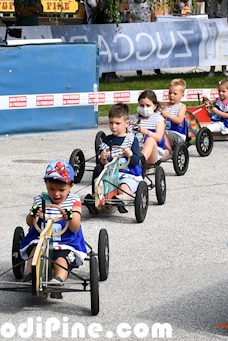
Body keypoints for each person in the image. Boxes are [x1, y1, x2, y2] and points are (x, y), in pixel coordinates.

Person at [19, 160, 87, 298]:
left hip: (65, 241)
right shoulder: (40, 200)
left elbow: (75, 227)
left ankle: (57, 281)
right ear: (46, 185)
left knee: (61, 259)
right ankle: (31, 276)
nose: (56, 194)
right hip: (41, 239)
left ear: (70, 186)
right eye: (52, 189)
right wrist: (34, 214)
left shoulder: (73, 201)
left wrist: (70, 216)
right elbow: (29, 222)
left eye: (61, 190)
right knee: (34, 253)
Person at [96, 103, 143, 213]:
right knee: (100, 185)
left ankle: (122, 200)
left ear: (126, 123)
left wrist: (130, 155)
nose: (113, 126)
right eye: (111, 123)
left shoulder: (131, 139)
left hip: (128, 174)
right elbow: (102, 163)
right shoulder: (107, 141)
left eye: (117, 123)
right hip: (110, 174)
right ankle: (96, 202)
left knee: (125, 186)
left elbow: (136, 161)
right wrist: (103, 157)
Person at [128, 0, 162, 76]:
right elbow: (128, 17)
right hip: (137, 30)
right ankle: (139, 71)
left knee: (153, 49)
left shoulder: (149, 3)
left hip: (148, 30)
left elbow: (153, 15)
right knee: (138, 51)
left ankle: (157, 70)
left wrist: (152, 26)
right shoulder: (132, 5)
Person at [132, 89, 167, 165]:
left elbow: (158, 137)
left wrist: (147, 132)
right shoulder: (135, 118)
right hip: (136, 148)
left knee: (150, 140)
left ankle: (140, 161)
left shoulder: (158, 119)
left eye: (148, 105)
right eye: (142, 105)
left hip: (153, 152)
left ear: (155, 106)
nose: (144, 108)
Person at [207, 0, 228, 77]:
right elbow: (210, 14)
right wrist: (221, 15)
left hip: (225, 29)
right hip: (213, 28)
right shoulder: (211, 2)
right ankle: (212, 70)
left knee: (224, 49)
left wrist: (217, 14)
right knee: (213, 48)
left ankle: (224, 69)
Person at [162, 78, 189, 143]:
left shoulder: (181, 106)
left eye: (175, 94)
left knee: (162, 134)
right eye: (170, 93)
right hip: (165, 131)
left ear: (182, 95)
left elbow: (179, 120)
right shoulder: (164, 105)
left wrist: (167, 115)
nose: (171, 95)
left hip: (177, 134)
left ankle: (166, 151)